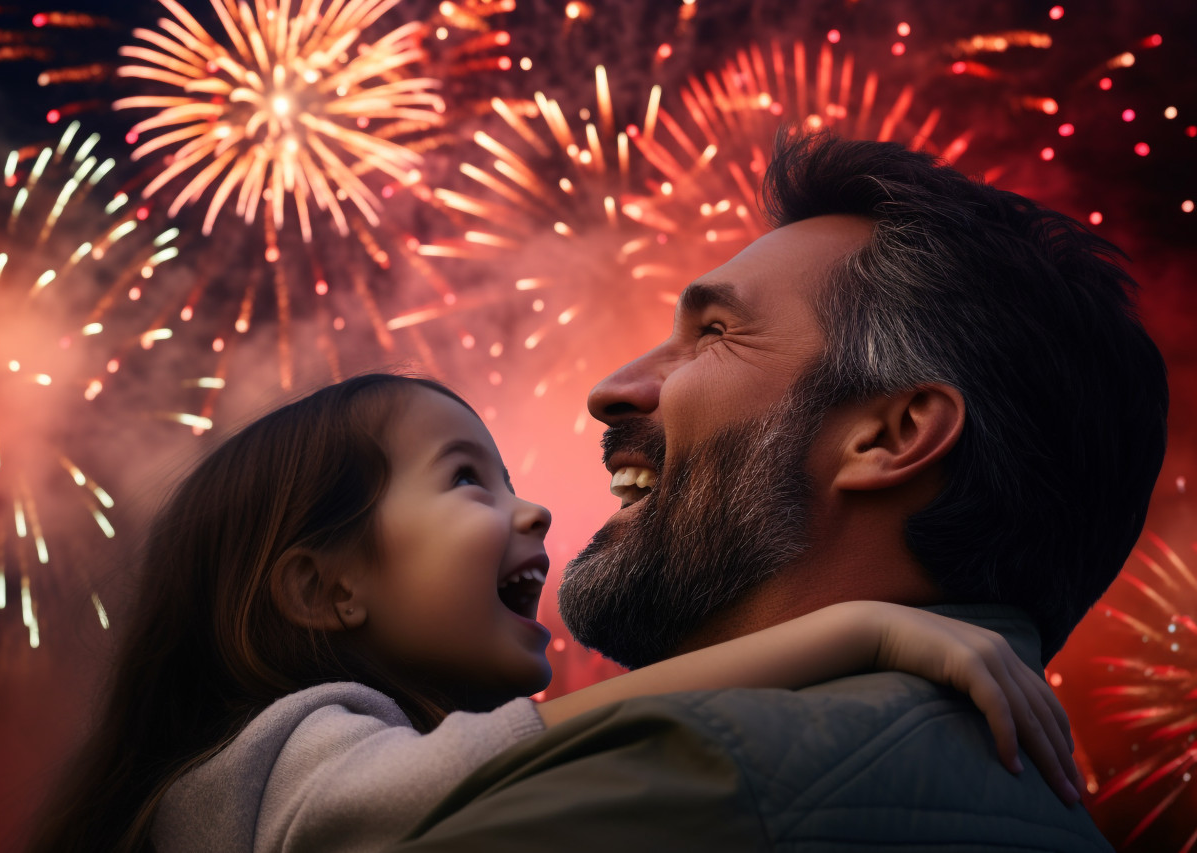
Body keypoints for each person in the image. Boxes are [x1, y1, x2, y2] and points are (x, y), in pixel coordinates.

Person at [387, 131, 1168, 851]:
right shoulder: (1052, 818)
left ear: (890, 436)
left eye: (714, 334)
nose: (611, 390)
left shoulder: (686, 780)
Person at [27, 373, 1077, 853]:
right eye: (464, 478)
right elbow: (514, 750)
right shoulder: (289, 758)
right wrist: (858, 630)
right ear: (324, 589)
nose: (530, 508)